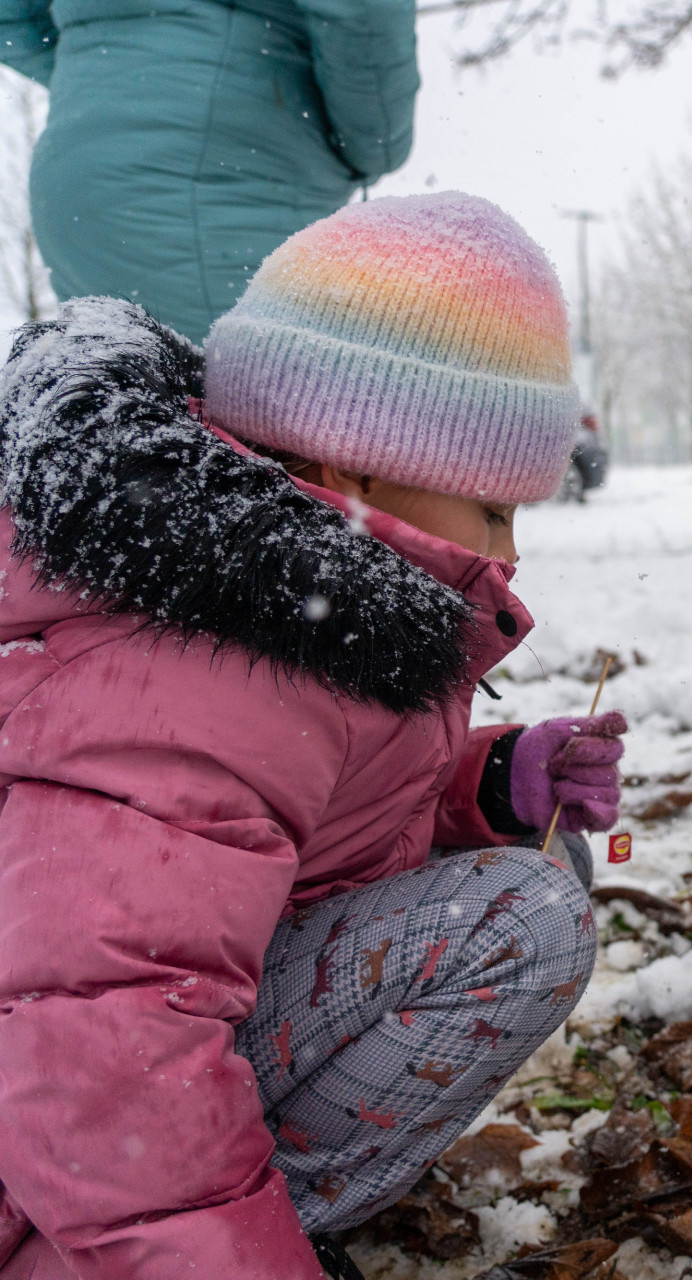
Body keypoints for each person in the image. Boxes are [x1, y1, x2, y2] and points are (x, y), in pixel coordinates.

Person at [0, 193, 625, 1280]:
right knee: (524, 917)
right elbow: (101, 1041)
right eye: (494, 510)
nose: (512, 552)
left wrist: (489, 784)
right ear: (358, 468)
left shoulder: (295, 596)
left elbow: (291, 833)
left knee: (533, 861)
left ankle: (222, 1211)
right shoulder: (201, 673)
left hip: (83, 1108)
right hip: (46, 1160)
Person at [0, 0, 417, 343]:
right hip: (215, 182)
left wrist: (99, 70)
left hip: (80, 183)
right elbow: (363, 11)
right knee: (254, 420)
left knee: (125, 409)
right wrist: (373, 144)